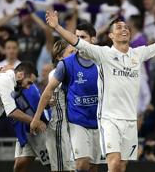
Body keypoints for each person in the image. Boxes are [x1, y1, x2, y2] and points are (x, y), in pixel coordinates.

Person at [45, 10, 155, 172]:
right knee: (114, 162)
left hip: (130, 120)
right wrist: (57, 27)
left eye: (126, 27)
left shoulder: (138, 54)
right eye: (118, 28)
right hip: (109, 119)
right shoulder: (103, 54)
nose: (124, 29)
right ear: (111, 36)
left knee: (122, 167)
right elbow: (76, 41)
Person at [32, 23, 103, 171]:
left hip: (96, 121)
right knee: (73, 166)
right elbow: (48, 93)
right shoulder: (62, 68)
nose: (77, 42)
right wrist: (38, 116)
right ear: (59, 57)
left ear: (93, 40)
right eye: (76, 38)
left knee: (92, 167)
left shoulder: (102, 60)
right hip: (64, 125)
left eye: (82, 37)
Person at [0, 61, 44, 172]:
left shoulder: (4, 77)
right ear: (19, 75)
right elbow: (12, 112)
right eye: (29, 82)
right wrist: (36, 121)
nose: (28, 87)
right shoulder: (6, 81)